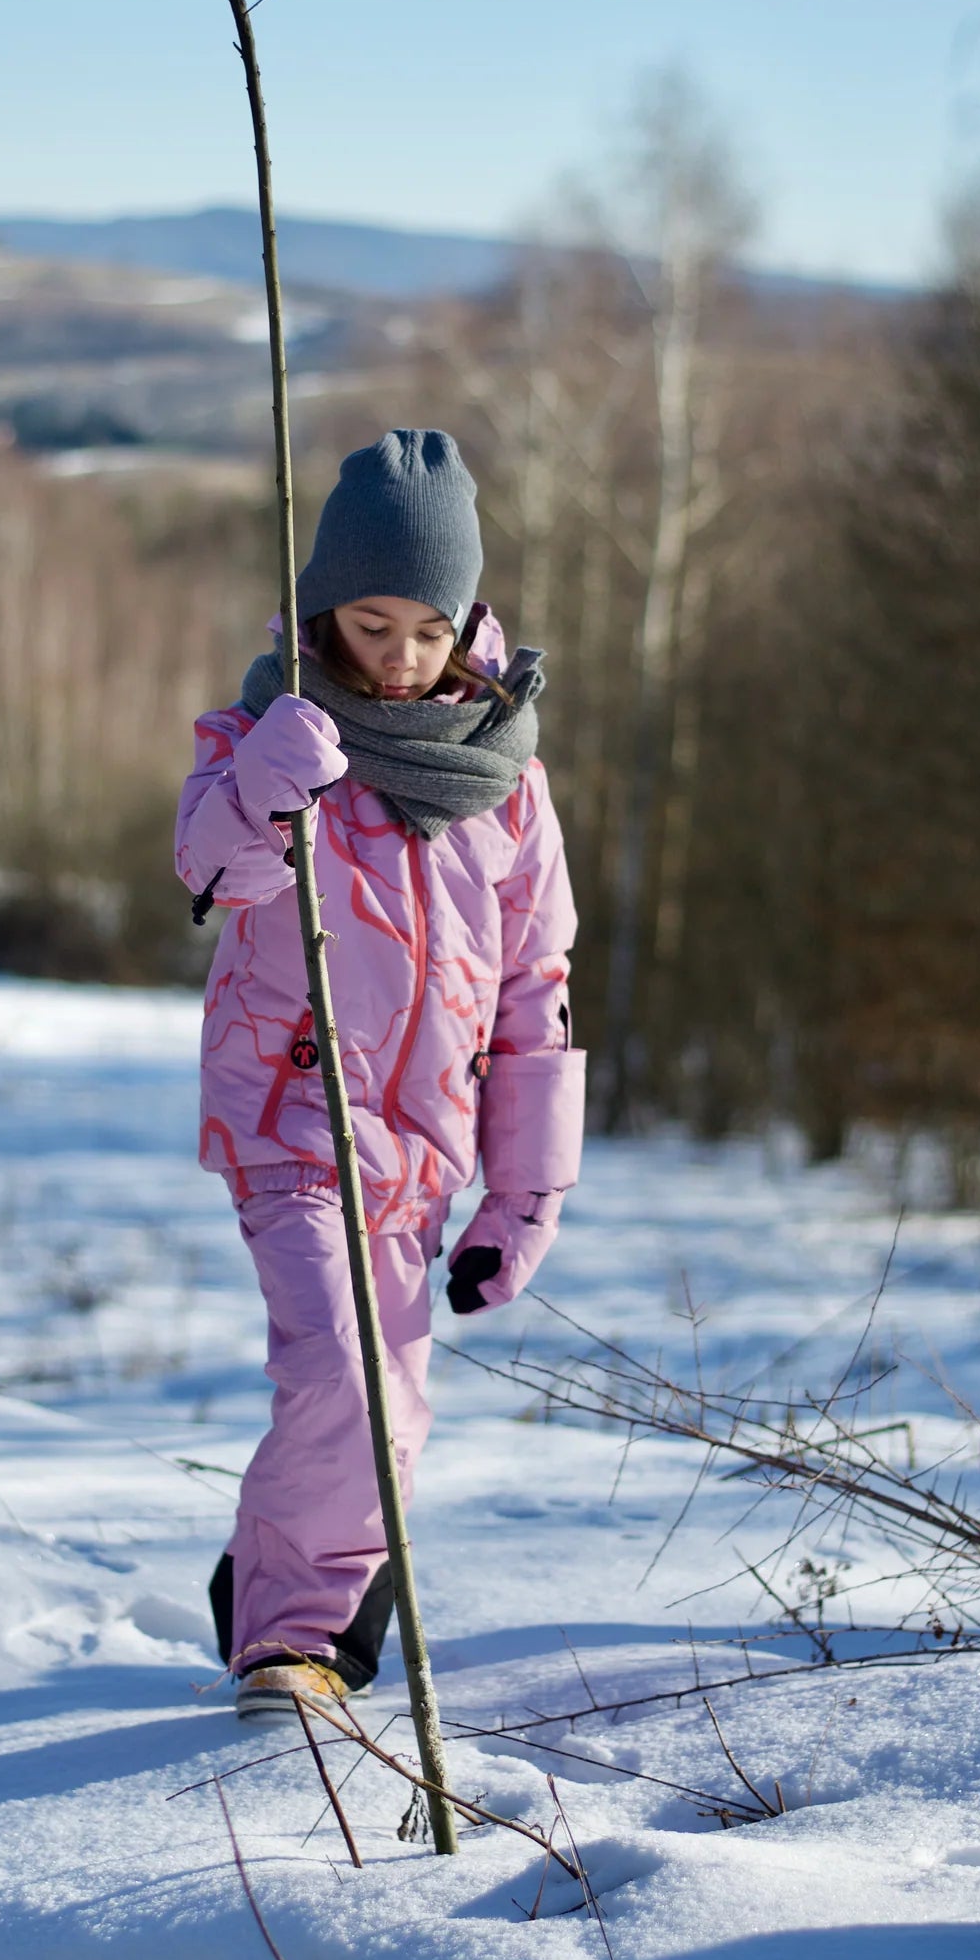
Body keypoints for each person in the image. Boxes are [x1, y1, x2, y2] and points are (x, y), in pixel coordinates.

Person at [176, 428, 584, 1720]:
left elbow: (536, 996)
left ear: (465, 617)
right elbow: (207, 867)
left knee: (394, 1417)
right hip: (292, 1116)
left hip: (423, 1155)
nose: (400, 656)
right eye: (369, 622)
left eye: (427, 627)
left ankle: (286, 1582)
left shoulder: (505, 780)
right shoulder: (273, 727)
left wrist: (525, 1197)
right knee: (346, 1376)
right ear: (322, 605)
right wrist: (259, 788)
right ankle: (291, 1644)